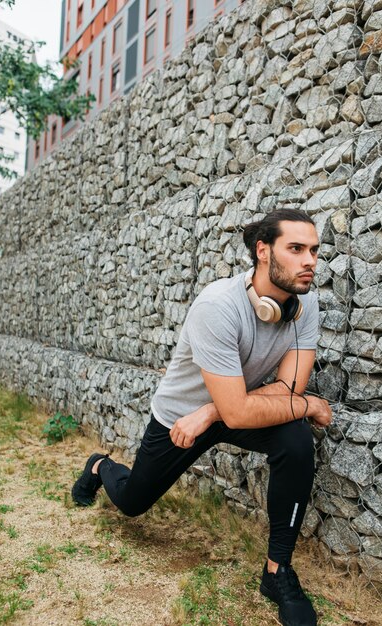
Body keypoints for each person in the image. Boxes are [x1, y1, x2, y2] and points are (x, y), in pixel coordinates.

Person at [72, 209, 332, 626]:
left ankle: (277, 572)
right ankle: (100, 466)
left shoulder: (304, 307)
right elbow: (265, 404)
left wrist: (214, 411)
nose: (310, 262)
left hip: (224, 409)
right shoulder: (218, 305)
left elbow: (289, 392)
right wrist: (309, 406)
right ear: (263, 252)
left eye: (314, 251)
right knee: (134, 502)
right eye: (296, 249)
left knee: (295, 439)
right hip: (179, 416)